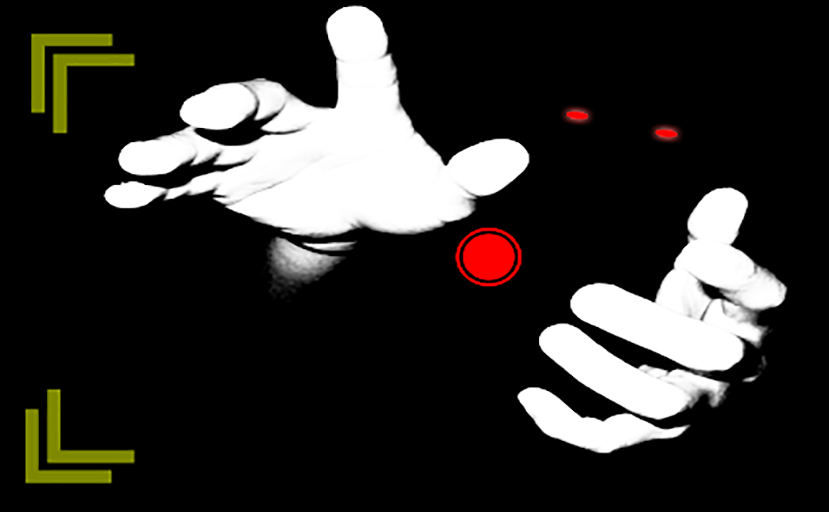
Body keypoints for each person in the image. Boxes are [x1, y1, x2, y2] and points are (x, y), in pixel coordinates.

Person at [97, 5, 788, 494]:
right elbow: (236, 372)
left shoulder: (718, 185)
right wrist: (310, 248)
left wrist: (741, 382)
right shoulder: (415, 136)